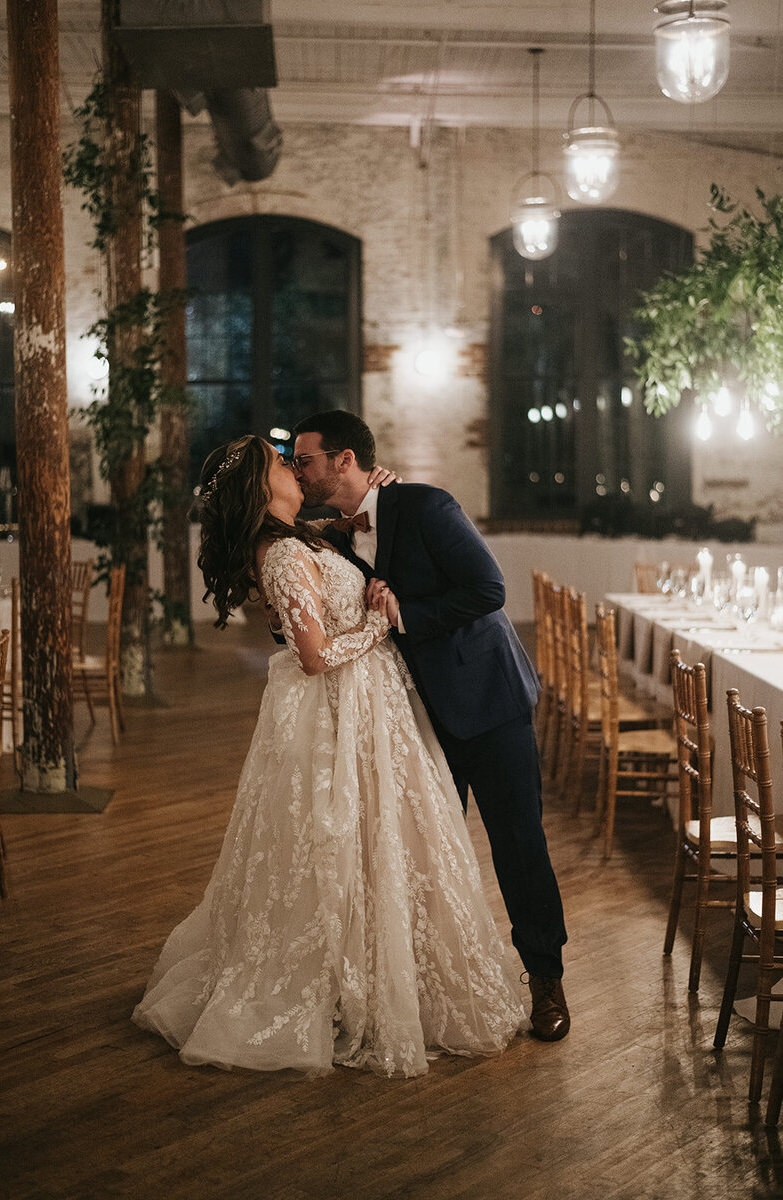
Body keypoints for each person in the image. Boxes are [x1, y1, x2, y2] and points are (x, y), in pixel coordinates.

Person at [132, 435, 527, 1077]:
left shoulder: (306, 536)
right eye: (280, 461)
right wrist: (378, 624)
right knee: (345, 839)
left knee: (377, 841)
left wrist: (368, 494)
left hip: (373, 706)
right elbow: (314, 656)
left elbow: (350, 535)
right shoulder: (284, 552)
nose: (292, 466)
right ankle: (344, 984)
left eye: (297, 457)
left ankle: (380, 971)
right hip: (340, 707)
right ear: (262, 486)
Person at [291, 411, 570, 1041]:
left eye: (305, 459)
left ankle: (546, 978)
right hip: (412, 714)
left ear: (344, 460)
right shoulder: (332, 537)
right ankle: (427, 983)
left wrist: (406, 612)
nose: (298, 471)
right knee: (421, 853)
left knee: (519, 846)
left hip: (488, 702)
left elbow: (489, 589)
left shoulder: (426, 506)